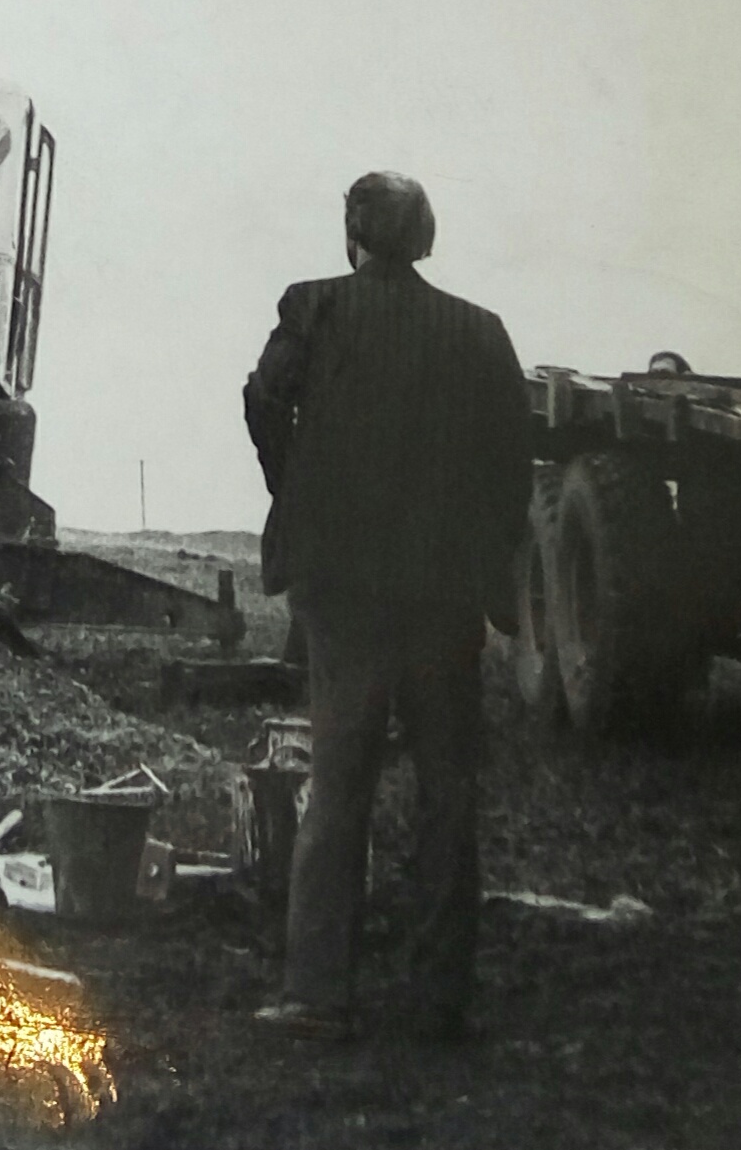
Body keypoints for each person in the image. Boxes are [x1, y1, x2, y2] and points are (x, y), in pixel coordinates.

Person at [243, 171, 531, 1045]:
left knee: (338, 783)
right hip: (444, 589)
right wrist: (479, 551)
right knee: (448, 788)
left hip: (342, 584)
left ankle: (316, 991)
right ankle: (439, 996)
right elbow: (511, 458)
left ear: (353, 233)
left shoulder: (314, 306)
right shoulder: (480, 330)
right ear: (424, 236)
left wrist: (296, 488)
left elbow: (262, 401)